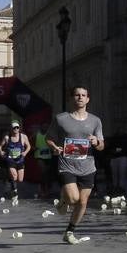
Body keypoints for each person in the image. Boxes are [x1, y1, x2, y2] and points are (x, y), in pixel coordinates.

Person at [46, 86, 104, 244]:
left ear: (88, 99)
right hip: (67, 164)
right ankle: (65, 199)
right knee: (73, 199)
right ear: (71, 98)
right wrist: (54, 147)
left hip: (88, 167)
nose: (80, 97)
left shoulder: (95, 121)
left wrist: (96, 142)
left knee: (82, 202)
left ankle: (69, 232)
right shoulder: (61, 119)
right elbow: (49, 138)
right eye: (77, 95)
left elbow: (101, 146)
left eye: (83, 95)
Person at [0, 120, 28, 199]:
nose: (16, 129)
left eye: (17, 127)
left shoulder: (23, 137)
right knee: (14, 177)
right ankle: (14, 191)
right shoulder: (7, 137)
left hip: (20, 160)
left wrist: (25, 152)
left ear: (19, 128)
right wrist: (0, 151)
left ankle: (9, 181)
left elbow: (29, 146)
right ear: (11, 129)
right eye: (14, 128)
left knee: (20, 179)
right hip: (11, 159)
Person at [33, 125, 56, 198]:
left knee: (47, 173)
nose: (45, 128)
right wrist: (33, 148)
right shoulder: (36, 134)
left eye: (46, 127)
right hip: (39, 156)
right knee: (43, 172)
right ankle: (42, 189)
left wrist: (53, 149)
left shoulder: (50, 135)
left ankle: (48, 189)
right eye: (43, 126)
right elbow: (29, 143)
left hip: (48, 157)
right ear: (41, 127)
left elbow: (54, 143)